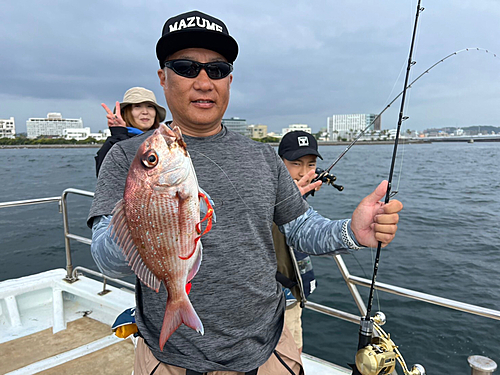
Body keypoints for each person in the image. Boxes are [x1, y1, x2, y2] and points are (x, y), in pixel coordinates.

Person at [88, 10, 403, 375]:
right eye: (187, 68)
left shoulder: (261, 156)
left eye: (217, 70)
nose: (204, 82)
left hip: (267, 348)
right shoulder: (128, 156)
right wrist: (140, 216)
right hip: (170, 356)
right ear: (163, 77)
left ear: (229, 80)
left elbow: (300, 227)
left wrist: (352, 231)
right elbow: (104, 258)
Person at [274, 130, 323, 354]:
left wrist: (299, 197)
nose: (304, 172)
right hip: (267, 298)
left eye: (310, 164)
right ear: (279, 162)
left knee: (295, 353)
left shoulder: (299, 195)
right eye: (296, 164)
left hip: (293, 294)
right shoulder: (263, 192)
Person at [94, 86, 167, 177]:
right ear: (127, 112)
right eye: (137, 106)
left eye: (150, 107)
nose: (145, 112)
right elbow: (106, 177)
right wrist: (118, 134)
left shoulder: (163, 140)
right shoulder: (115, 142)